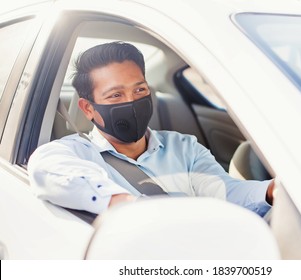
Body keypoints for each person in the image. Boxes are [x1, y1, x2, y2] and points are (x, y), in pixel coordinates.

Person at [27, 41, 274, 217]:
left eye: (140, 90)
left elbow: (226, 192)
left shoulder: (184, 147)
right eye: (115, 95)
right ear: (88, 108)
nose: (132, 101)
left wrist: (272, 191)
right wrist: (130, 207)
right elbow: (44, 166)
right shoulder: (73, 154)